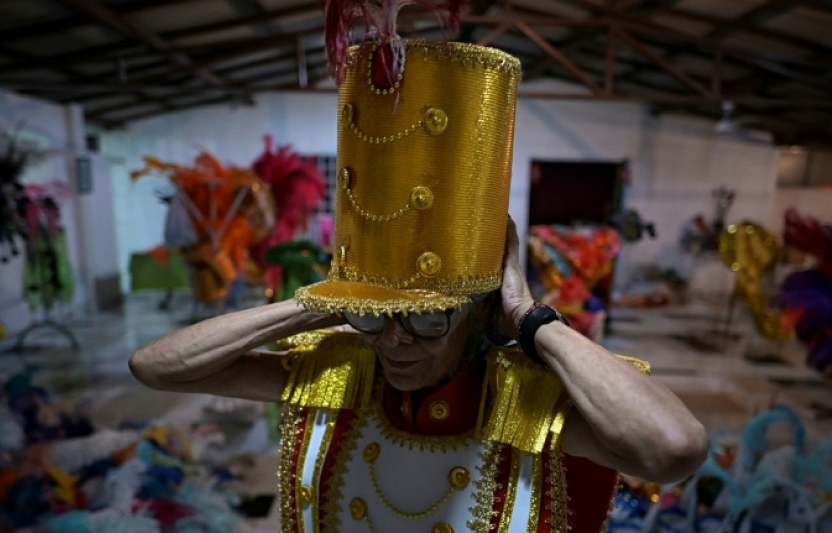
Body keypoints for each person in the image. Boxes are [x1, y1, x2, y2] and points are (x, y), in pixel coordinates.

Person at [130, 27, 708, 533]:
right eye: (377, 318)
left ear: (478, 314)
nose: (393, 341)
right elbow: (155, 367)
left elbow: (673, 449)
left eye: (428, 319)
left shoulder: (524, 402)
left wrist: (530, 319)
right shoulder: (342, 377)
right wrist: (324, 303)